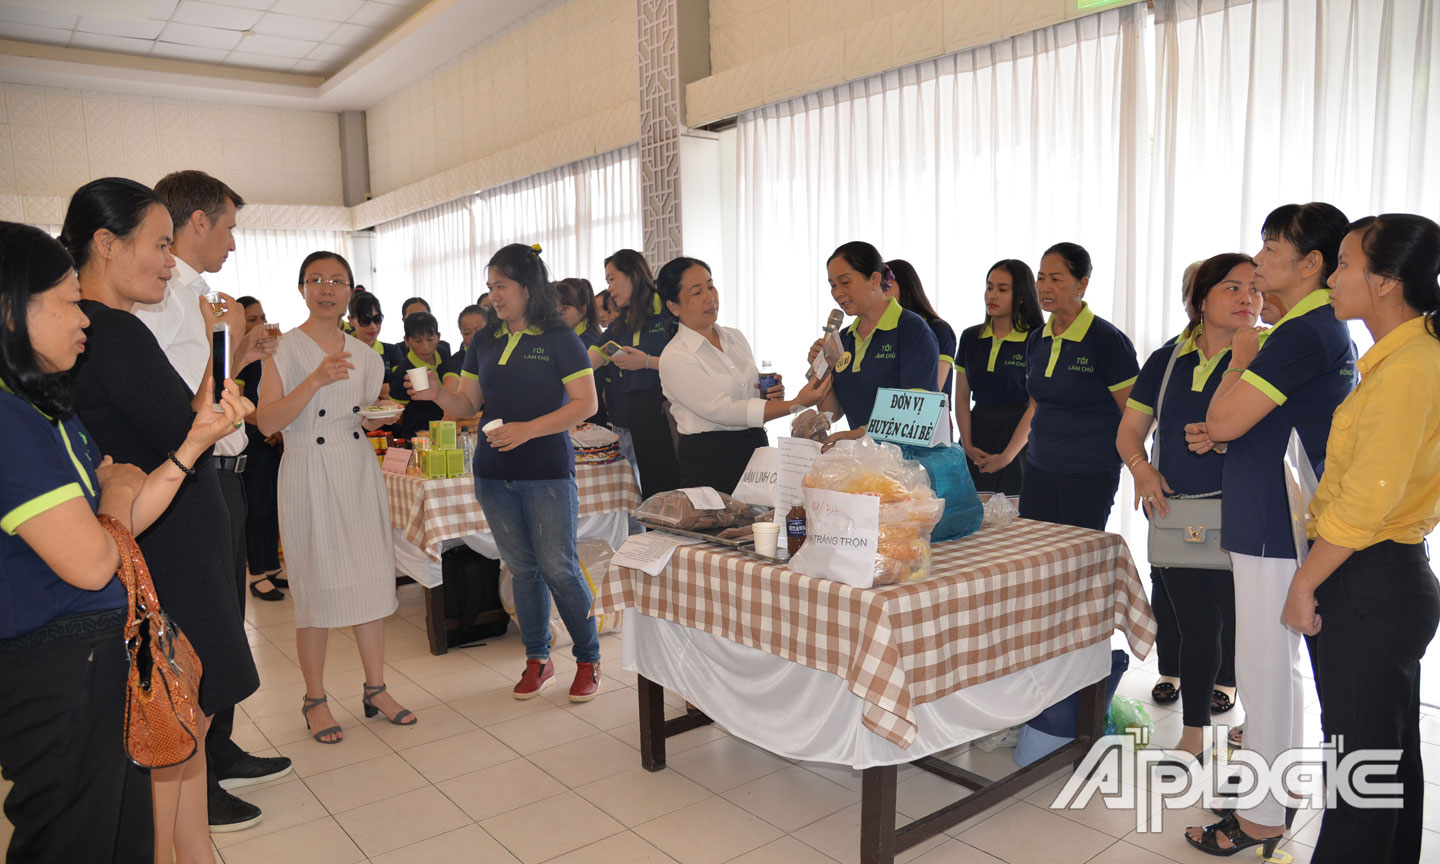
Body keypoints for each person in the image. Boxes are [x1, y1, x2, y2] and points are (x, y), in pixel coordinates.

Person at [0, 221, 253, 863]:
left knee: (123, 832)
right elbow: (92, 559)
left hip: (97, 653)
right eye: (63, 301)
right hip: (57, 662)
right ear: (9, 310)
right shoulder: (8, 421)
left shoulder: (43, 407)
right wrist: (114, 489)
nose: (80, 317)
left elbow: (129, 514)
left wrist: (194, 444)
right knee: (76, 838)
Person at [62, 176, 262, 859]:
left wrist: (222, 352)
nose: (169, 261)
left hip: (172, 535)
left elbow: (184, 421)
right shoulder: (111, 333)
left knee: (188, 720)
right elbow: (181, 435)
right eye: (157, 245)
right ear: (106, 244)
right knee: (175, 723)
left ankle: (194, 850)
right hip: (168, 546)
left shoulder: (111, 330)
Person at [1184, 202, 1355, 855]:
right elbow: (1243, 423)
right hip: (1279, 516)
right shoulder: (1319, 327)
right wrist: (1227, 421)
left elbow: (1225, 420)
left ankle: (1259, 816)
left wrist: (1238, 360)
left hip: (1272, 523)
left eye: (1272, 248)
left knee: (1263, 668)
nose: (1257, 262)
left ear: (1311, 263)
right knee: (1273, 670)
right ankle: (1268, 798)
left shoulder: (1295, 334)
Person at [1276, 214, 1440, 864]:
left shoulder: (1408, 369)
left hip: (1369, 581)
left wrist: (1304, 582)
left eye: (1343, 264)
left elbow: (1364, 502)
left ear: (1388, 282)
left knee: (1358, 776)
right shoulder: (1406, 357)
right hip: (1382, 576)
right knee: (1386, 760)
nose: (1333, 277)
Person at [131, 170, 290, 830]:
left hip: (218, 474)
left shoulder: (203, 297)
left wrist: (243, 348)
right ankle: (194, 770)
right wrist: (224, 348)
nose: (231, 240)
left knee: (223, 619)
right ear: (197, 222)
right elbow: (179, 401)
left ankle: (217, 749)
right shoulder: (165, 297)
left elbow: (211, 385)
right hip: (187, 477)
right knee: (197, 631)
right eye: (226, 226)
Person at [411, 244, 603, 702]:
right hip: (493, 473)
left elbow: (585, 404)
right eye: (490, 286)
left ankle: (589, 657)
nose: (494, 296)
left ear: (528, 287)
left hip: (547, 471)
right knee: (523, 569)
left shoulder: (560, 339)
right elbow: (468, 405)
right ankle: (538, 658)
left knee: (558, 566)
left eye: (502, 286)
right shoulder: (485, 341)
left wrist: (527, 431)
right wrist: (438, 391)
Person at [256, 252, 415, 744]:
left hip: (355, 467)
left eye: (337, 281)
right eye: (316, 280)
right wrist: (316, 378)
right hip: (305, 468)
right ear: (302, 288)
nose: (326, 288)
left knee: (370, 579)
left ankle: (376, 688)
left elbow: (364, 413)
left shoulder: (367, 355)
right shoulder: (279, 348)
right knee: (315, 585)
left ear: (351, 291)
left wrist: (380, 416)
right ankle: (315, 699)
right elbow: (267, 422)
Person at [1116, 253, 1259, 768]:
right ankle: (1195, 733)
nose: (1248, 299)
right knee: (1197, 627)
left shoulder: (1267, 353)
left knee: (1246, 628)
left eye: (1254, 289)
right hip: (1178, 517)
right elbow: (1130, 429)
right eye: (1233, 288)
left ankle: (1256, 723)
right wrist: (1142, 468)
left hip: (1246, 517)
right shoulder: (1166, 359)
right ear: (1200, 301)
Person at [656, 256, 831, 491]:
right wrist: (795, 404)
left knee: (762, 525)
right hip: (712, 460)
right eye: (697, 292)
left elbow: (747, 396)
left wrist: (770, 396)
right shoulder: (675, 356)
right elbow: (724, 410)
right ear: (673, 306)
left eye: (711, 286)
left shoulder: (734, 337)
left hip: (755, 447)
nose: (710, 297)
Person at [1019, 242, 1139, 530]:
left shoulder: (1107, 340)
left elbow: (1134, 413)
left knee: (1078, 560)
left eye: (1056, 279)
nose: (1045, 287)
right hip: (1038, 467)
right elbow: (1037, 403)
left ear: (1081, 284)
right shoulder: (1037, 339)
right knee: (1034, 556)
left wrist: (1137, 465)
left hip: (1089, 472)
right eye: (1041, 278)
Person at [810, 242, 939, 446]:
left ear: (874, 279)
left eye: (845, 282)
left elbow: (917, 411)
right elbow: (833, 413)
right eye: (833, 285)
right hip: (864, 461)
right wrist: (821, 371)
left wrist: (859, 434)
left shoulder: (912, 330)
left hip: (909, 461)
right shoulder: (843, 339)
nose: (837, 292)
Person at [594, 248, 680, 496]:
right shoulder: (623, 321)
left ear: (632, 274)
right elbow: (591, 361)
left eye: (612, 279)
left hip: (670, 408)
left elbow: (693, 362)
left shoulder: (667, 309)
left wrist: (646, 362)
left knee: (674, 483)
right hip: (639, 413)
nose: (609, 287)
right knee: (653, 489)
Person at [954, 259, 1042, 497]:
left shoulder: (1036, 339)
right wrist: (968, 445)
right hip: (976, 435)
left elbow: (1036, 404)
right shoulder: (971, 336)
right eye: (989, 287)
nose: (992, 295)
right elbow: (961, 396)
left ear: (1021, 296)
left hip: (1019, 440)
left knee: (1017, 526)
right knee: (973, 523)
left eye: (1002, 289)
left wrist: (1007, 456)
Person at [234, 296, 285, 602]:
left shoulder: (271, 354)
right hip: (251, 438)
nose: (260, 324)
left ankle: (272, 566)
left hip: (273, 437)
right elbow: (238, 402)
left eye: (262, 317)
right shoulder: (237, 356)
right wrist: (266, 424)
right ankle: (256, 574)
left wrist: (278, 429)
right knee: (257, 508)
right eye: (252, 319)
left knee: (273, 506)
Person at [885, 259, 956, 395]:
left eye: (887, 287)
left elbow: (931, 391)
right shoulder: (885, 331)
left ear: (906, 288)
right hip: (888, 414)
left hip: (930, 414)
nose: (881, 294)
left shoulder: (938, 329)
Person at [555, 277, 607, 424]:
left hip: (589, 422)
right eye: (555, 311)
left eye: (564, 310)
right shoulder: (564, 338)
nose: (558, 316)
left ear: (582, 310)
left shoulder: (590, 342)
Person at [387, 311, 446, 439]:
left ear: (438, 336)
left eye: (430, 340)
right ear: (406, 341)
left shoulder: (443, 354)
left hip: (447, 431)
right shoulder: (405, 370)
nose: (425, 347)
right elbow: (397, 412)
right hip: (418, 437)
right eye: (418, 341)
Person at [440, 303, 487, 394]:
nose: (474, 337)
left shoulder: (503, 351)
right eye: (467, 333)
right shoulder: (457, 361)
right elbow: (449, 390)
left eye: (479, 330)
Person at [393, 296, 452, 362]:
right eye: (412, 317)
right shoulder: (395, 350)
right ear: (404, 320)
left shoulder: (443, 349)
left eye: (423, 316)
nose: (419, 321)